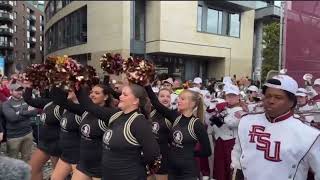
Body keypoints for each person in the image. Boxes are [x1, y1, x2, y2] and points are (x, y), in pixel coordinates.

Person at [231, 74, 320, 180]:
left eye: (278, 97)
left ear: (291, 102)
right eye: (268, 96)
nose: (271, 101)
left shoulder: (309, 135)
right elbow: (238, 154)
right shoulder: (247, 122)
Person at [73, 83, 160, 180]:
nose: (120, 97)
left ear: (136, 101)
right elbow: (89, 106)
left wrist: (132, 164)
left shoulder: (139, 122)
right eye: (121, 94)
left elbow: (153, 153)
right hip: (109, 175)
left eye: (125, 95)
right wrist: (76, 85)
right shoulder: (115, 115)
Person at [145, 83, 211, 180]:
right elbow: (156, 103)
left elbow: (207, 151)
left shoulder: (197, 124)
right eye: (179, 98)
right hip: (172, 168)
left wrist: (190, 153)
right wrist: (147, 85)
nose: (178, 101)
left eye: (182, 99)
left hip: (188, 171)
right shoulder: (175, 117)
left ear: (192, 104)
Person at [23, 82, 64, 180]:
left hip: (57, 145)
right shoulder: (48, 102)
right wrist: (30, 85)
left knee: (58, 175)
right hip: (44, 143)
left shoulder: (67, 106)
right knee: (32, 168)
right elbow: (29, 100)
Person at [209, 84, 246, 180]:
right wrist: (214, 114)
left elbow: (233, 123)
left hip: (232, 142)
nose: (230, 98)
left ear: (238, 97)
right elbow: (210, 122)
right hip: (219, 140)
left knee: (231, 168)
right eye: (228, 95)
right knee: (219, 168)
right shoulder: (223, 107)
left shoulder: (242, 110)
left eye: (233, 95)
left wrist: (221, 115)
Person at [50, 88, 82, 180]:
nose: (67, 92)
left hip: (77, 155)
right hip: (65, 153)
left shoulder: (81, 110)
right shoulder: (67, 107)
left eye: (70, 90)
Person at [2, 83, 39, 161]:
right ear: (11, 91)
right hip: (14, 136)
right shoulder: (6, 104)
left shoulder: (27, 100)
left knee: (26, 158)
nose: (20, 92)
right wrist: (27, 112)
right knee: (13, 160)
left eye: (21, 90)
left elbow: (35, 112)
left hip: (28, 133)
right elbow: (12, 118)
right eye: (17, 90)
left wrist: (19, 112)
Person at [148, 88, 172, 180]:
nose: (165, 98)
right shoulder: (150, 112)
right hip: (148, 155)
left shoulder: (172, 116)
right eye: (162, 96)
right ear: (156, 98)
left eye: (168, 96)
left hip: (164, 157)